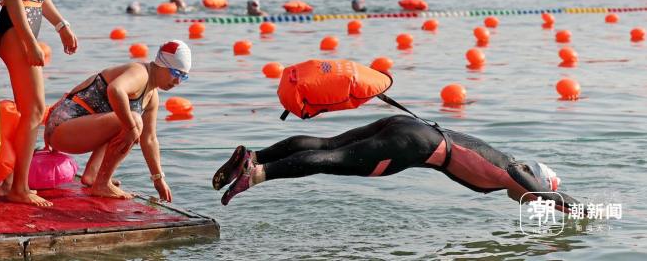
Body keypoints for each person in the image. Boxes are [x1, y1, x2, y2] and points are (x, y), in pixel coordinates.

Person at [213, 115, 581, 212]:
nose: (531, 201)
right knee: (334, 159)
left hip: (414, 132)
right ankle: (258, 173)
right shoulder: (513, 171)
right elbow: (548, 195)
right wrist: (586, 211)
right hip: (416, 142)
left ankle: (255, 156)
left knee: (329, 145)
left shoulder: (505, 173)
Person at [0, 0, 89, 206]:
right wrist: (28, 41)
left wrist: (61, 25)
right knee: (35, 109)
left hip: (27, 27)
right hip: (14, 30)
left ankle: (12, 180)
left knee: (31, 110)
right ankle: (17, 188)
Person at [44, 40, 191, 201]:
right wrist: (130, 127)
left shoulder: (152, 95)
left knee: (131, 123)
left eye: (184, 76)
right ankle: (102, 184)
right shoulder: (140, 72)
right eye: (176, 73)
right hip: (61, 128)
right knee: (133, 121)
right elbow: (115, 89)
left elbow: (149, 139)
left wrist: (158, 178)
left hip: (74, 131)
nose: (178, 82)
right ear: (161, 64)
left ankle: (93, 176)